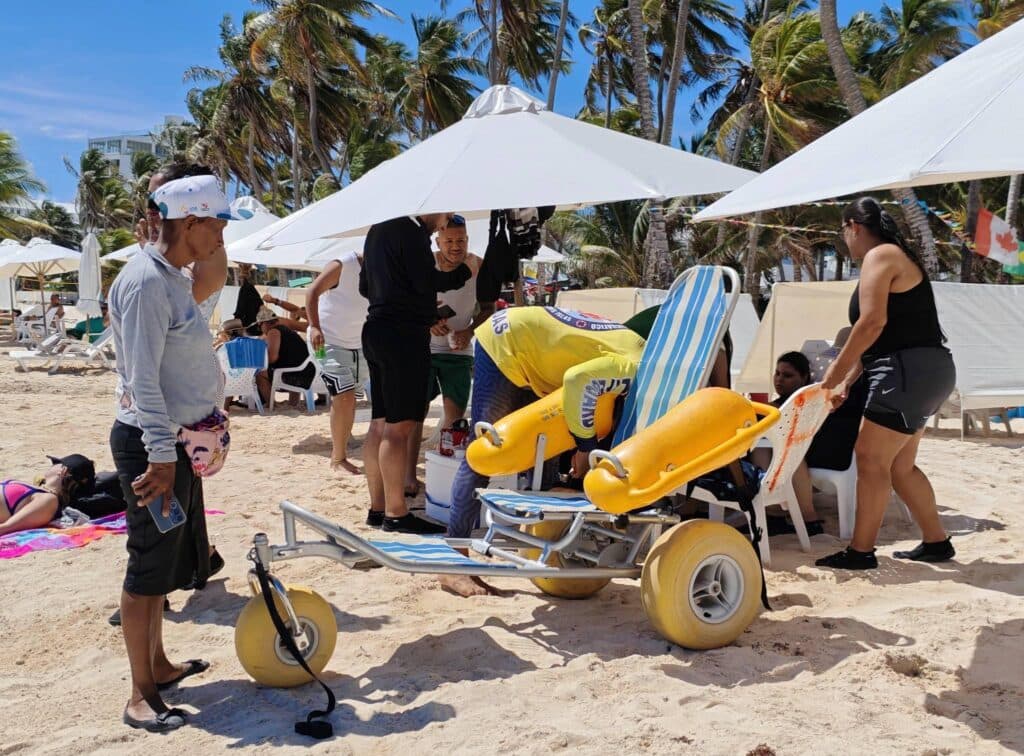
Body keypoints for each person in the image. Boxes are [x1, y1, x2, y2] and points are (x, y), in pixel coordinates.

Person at [108, 174, 245, 732]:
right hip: (152, 446)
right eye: (217, 225)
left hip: (171, 443)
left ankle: (159, 666)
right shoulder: (147, 281)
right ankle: (140, 694)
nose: (220, 237)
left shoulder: (170, 276)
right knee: (147, 565)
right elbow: (140, 379)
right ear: (190, 222)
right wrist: (162, 457)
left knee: (163, 561)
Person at [442, 305, 650, 596]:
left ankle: (544, 539)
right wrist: (586, 448)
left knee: (548, 446)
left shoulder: (642, 358)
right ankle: (453, 563)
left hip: (539, 356)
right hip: (507, 340)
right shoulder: (634, 369)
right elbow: (578, 380)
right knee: (484, 451)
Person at [817, 197, 956, 570]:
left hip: (906, 371)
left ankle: (860, 552)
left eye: (843, 232)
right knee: (900, 467)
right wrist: (849, 380)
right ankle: (936, 542)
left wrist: (833, 375)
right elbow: (885, 334)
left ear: (853, 227)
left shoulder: (880, 256)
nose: (844, 240)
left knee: (871, 459)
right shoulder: (895, 255)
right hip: (926, 370)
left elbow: (871, 323)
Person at [359, 212, 478, 535]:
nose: (443, 223)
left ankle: (378, 508)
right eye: (443, 217)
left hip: (375, 330)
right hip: (403, 337)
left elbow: (365, 286)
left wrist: (414, 303)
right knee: (398, 429)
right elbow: (430, 281)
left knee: (379, 424)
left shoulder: (377, 228)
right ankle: (397, 513)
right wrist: (467, 270)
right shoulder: (411, 233)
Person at [405, 216, 494, 495]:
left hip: (459, 349)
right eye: (449, 241)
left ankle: (448, 472)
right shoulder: (424, 265)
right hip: (422, 348)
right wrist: (428, 321)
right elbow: (407, 302)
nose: (456, 246)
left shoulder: (478, 266)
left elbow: (489, 308)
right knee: (415, 413)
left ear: (468, 239)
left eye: (461, 240)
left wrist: (469, 331)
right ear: (437, 240)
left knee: (454, 416)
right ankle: (409, 475)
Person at [134, 162, 230, 326]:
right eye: (150, 197)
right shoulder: (161, 244)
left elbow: (175, 303)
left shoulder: (210, 249)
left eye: (161, 196)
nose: (151, 208)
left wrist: (152, 253)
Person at [747, 352, 824, 536]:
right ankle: (776, 515)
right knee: (764, 446)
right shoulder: (777, 404)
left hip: (811, 451)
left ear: (804, 378)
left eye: (787, 375)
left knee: (768, 448)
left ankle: (799, 517)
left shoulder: (808, 402)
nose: (779, 380)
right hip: (792, 452)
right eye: (777, 373)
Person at [307, 250, 368, 474]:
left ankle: (342, 441)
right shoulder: (344, 264)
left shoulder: (388, 268)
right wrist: (314, 326)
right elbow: (312, 291)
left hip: (359, 345)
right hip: (325, 341)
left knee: (350, 400)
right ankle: (338, 458)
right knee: (344, 396)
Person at [0, 455, 93, 536]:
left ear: (63, 471)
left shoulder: (49, 500)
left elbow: (6, 527)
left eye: (55, 464)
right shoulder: (40, 492)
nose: (51, 466)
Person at [254, 306, 316, 406]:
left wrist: (259, 362)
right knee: (290, 366)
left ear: (264, 323)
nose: (260, 329)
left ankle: (271, 404)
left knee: (260, 374)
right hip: (308, 373)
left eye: (259, 326)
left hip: (297, 377)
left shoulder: (273, 332)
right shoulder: (288, 331)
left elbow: (272, 358)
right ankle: (293, 403)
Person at [234, 263, 263, 335]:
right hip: (255, 327)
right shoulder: (250, 289)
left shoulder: (246, 289)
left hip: (248, 327)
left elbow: (240, 310)